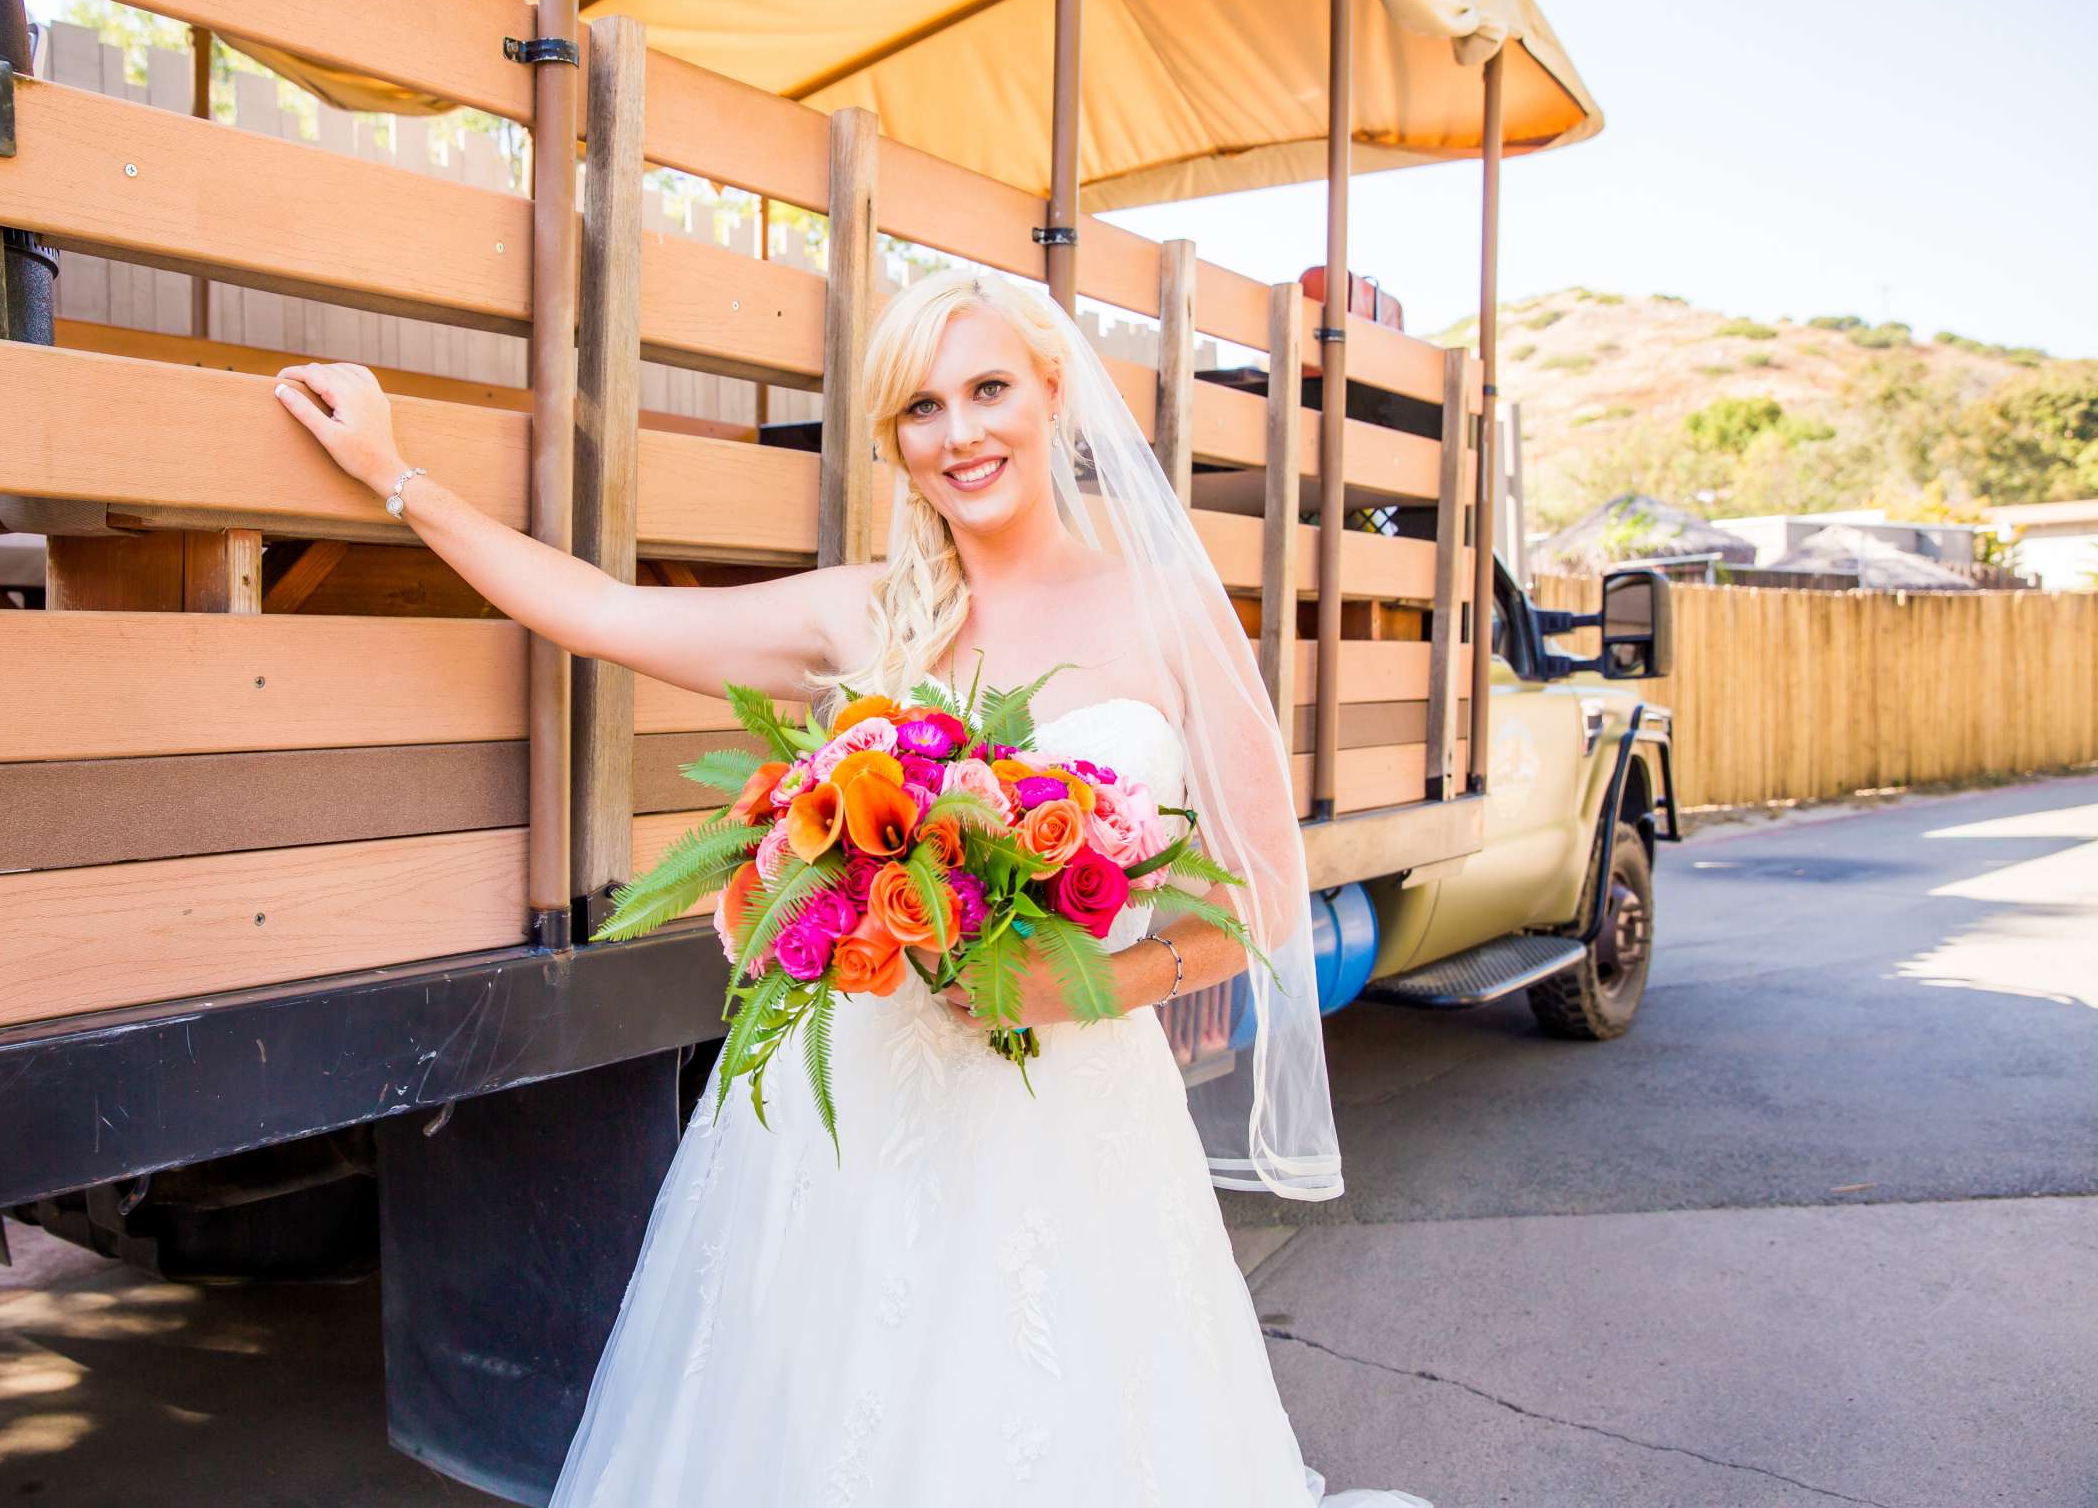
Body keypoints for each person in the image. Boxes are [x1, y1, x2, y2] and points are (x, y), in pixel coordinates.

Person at [273, 267, 1427, 1506]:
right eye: (921, 409)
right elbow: (602, 615)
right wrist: (398, 476)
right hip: (842, 1128)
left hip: (1074, 1119)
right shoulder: (871, 616)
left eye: (987, 389)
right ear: (895, 441)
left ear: (1051, 389)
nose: (961, 433)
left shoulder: (1168, 609)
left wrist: (1084, 988)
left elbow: (1255, 894)